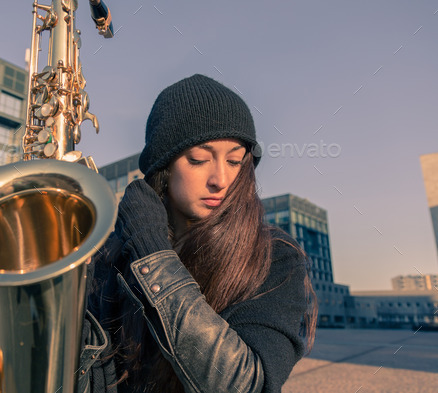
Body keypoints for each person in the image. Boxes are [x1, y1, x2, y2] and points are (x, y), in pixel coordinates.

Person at [78, 74, 317, 393]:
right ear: (164, 165)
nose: (220, 179)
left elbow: (244, 385)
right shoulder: (117, 252)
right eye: (199, 159)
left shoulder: (275, 257)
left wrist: (153, 256)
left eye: (235, 161)